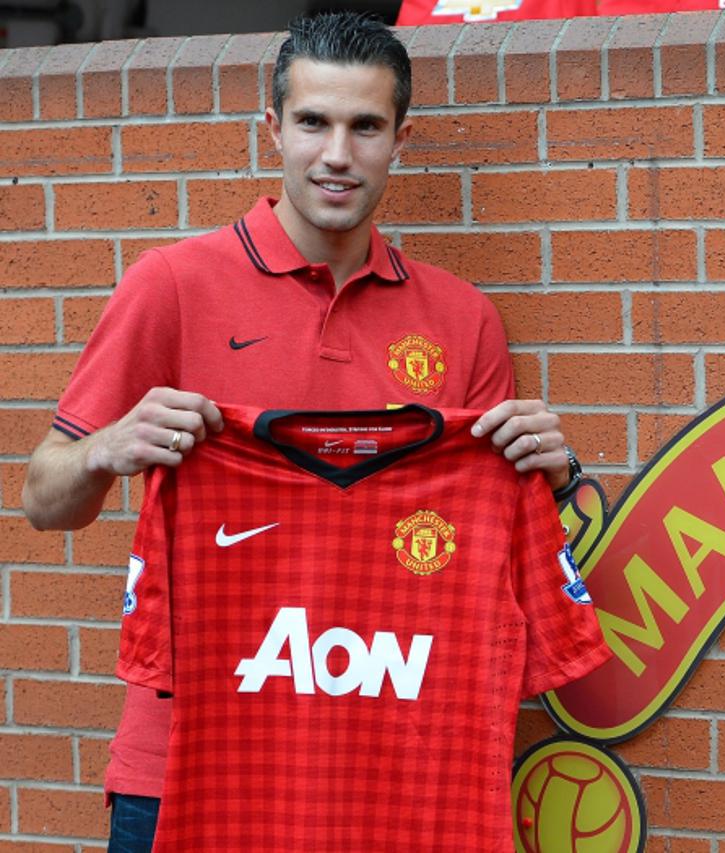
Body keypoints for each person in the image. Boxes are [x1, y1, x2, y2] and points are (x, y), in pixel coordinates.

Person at [21, 12, 584, 851]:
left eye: (365, 126)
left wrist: (552, 477)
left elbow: (491, 549)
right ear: (273, 128)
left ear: (399, 139)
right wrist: (106, 448)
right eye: (313, 121)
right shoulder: (171, 284)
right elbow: (42, 498)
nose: (336, 153)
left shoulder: (463, 320)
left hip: (392, 767)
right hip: (186, 762)